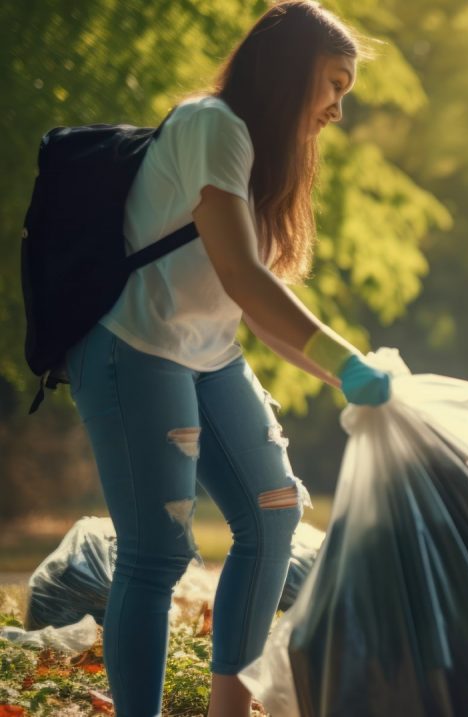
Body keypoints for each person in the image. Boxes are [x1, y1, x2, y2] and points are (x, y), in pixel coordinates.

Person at [65, 4, 391, 715]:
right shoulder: (213, 125)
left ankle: (230, 711)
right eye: (334, 84)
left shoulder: (264, 157)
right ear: (290, 70)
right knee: (156, 554)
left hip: (207, 355)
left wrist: (349, 379)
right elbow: (244, 275)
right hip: (134, 348)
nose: (339, 108)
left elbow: (254, 311)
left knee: (274, 513)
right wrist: (348, 363)